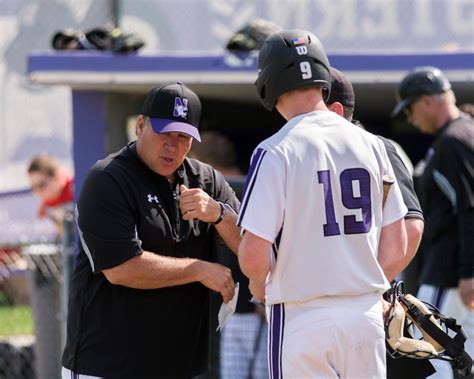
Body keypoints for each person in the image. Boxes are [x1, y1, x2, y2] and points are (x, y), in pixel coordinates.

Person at [237, 29, 408, 378]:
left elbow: (253, 255)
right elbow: (398, 241)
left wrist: (258, 287)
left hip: (303, 315)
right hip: (365, 315)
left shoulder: (275, 150)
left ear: (268, 82)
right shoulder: (371, 143)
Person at [61, 82, 242, 378]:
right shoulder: (108, 179)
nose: (173, 145)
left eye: (183, 137)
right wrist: (199, 269)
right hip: (108, 366)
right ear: (141, 126)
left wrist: (218, 213)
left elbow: (248, 245)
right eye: (165, 133)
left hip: (180, 366)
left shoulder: (206, 180)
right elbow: (121, 269)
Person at [326, 67, 435, 378]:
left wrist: (366, 287)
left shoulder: (379, 147)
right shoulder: (308, 151)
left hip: (371, 304)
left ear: (335, 109)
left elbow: (411, 228)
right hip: (325, 304)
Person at [392, 66, 474, 379]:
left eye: (411, 109)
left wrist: (468, 272)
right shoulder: (462, 133)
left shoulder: (453, 140)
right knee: (460, 362)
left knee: (434, 361)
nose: (411, 119)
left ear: (427, 101)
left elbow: (469, 209)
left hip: (450, 275)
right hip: (455, 274)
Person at [189, 131, 269, 379]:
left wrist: (265, 293)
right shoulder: (211, 193)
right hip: (234, 310)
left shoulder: (251, 187)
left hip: (259, 307)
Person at [27, 153, 74, 239]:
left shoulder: (76, 191)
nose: (37, 192)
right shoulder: (45, 207)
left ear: (56, 177)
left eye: (41, 185)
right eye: (33, 187)